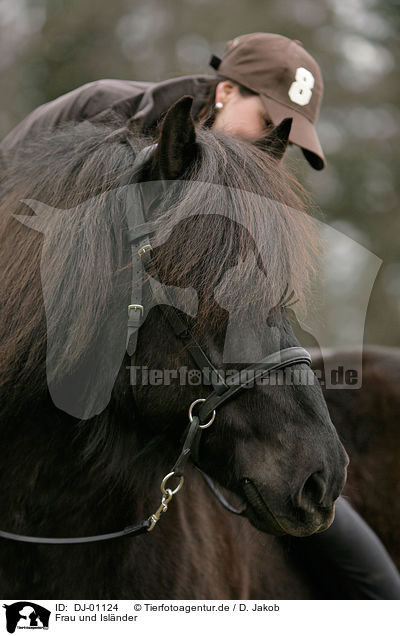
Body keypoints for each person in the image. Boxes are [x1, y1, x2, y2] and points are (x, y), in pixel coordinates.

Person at [1, 31, 399, 600]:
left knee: (368, 573)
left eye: (286, 138)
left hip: (180, 387)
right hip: (63, 393)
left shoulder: (235, 193)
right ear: (226, 91)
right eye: (267, 122)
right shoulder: (99, 112)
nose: (271, 147)